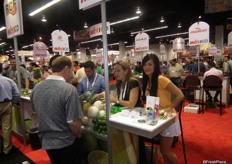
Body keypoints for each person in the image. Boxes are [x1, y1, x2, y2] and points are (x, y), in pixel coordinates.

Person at [31, 56, 83, 163]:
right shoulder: (69, 89)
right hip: (66, 142)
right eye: (72, 70)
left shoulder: (37, 88)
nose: (72, 74)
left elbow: (35, 114)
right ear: (66, 69)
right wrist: (79, 133)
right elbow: (73, 122)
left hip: (47, 142)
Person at [141, 54, 184, 164]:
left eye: (150, 64)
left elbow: (180, 95)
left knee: (166, 150)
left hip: (168, 119)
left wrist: (168, 109)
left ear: (156, 65)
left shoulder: (161, 79)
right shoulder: (148, 81)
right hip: (158, 118)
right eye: (145, 65)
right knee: (163, 150)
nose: (147, 67)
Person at [0, 62, 20, 155]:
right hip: (6, 104)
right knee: (6, 128)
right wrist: (12, 103)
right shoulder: (9, 80)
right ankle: (7, 149)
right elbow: (16, 94)